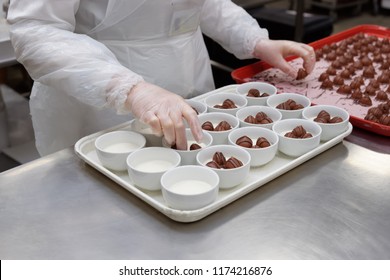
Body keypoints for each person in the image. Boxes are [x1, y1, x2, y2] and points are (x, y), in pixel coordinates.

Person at [7, 0, 315, 156]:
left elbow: (205, 4)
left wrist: (256, 41)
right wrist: (131, 90)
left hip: (188, 75)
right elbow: (37, 30)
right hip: (96, 98)